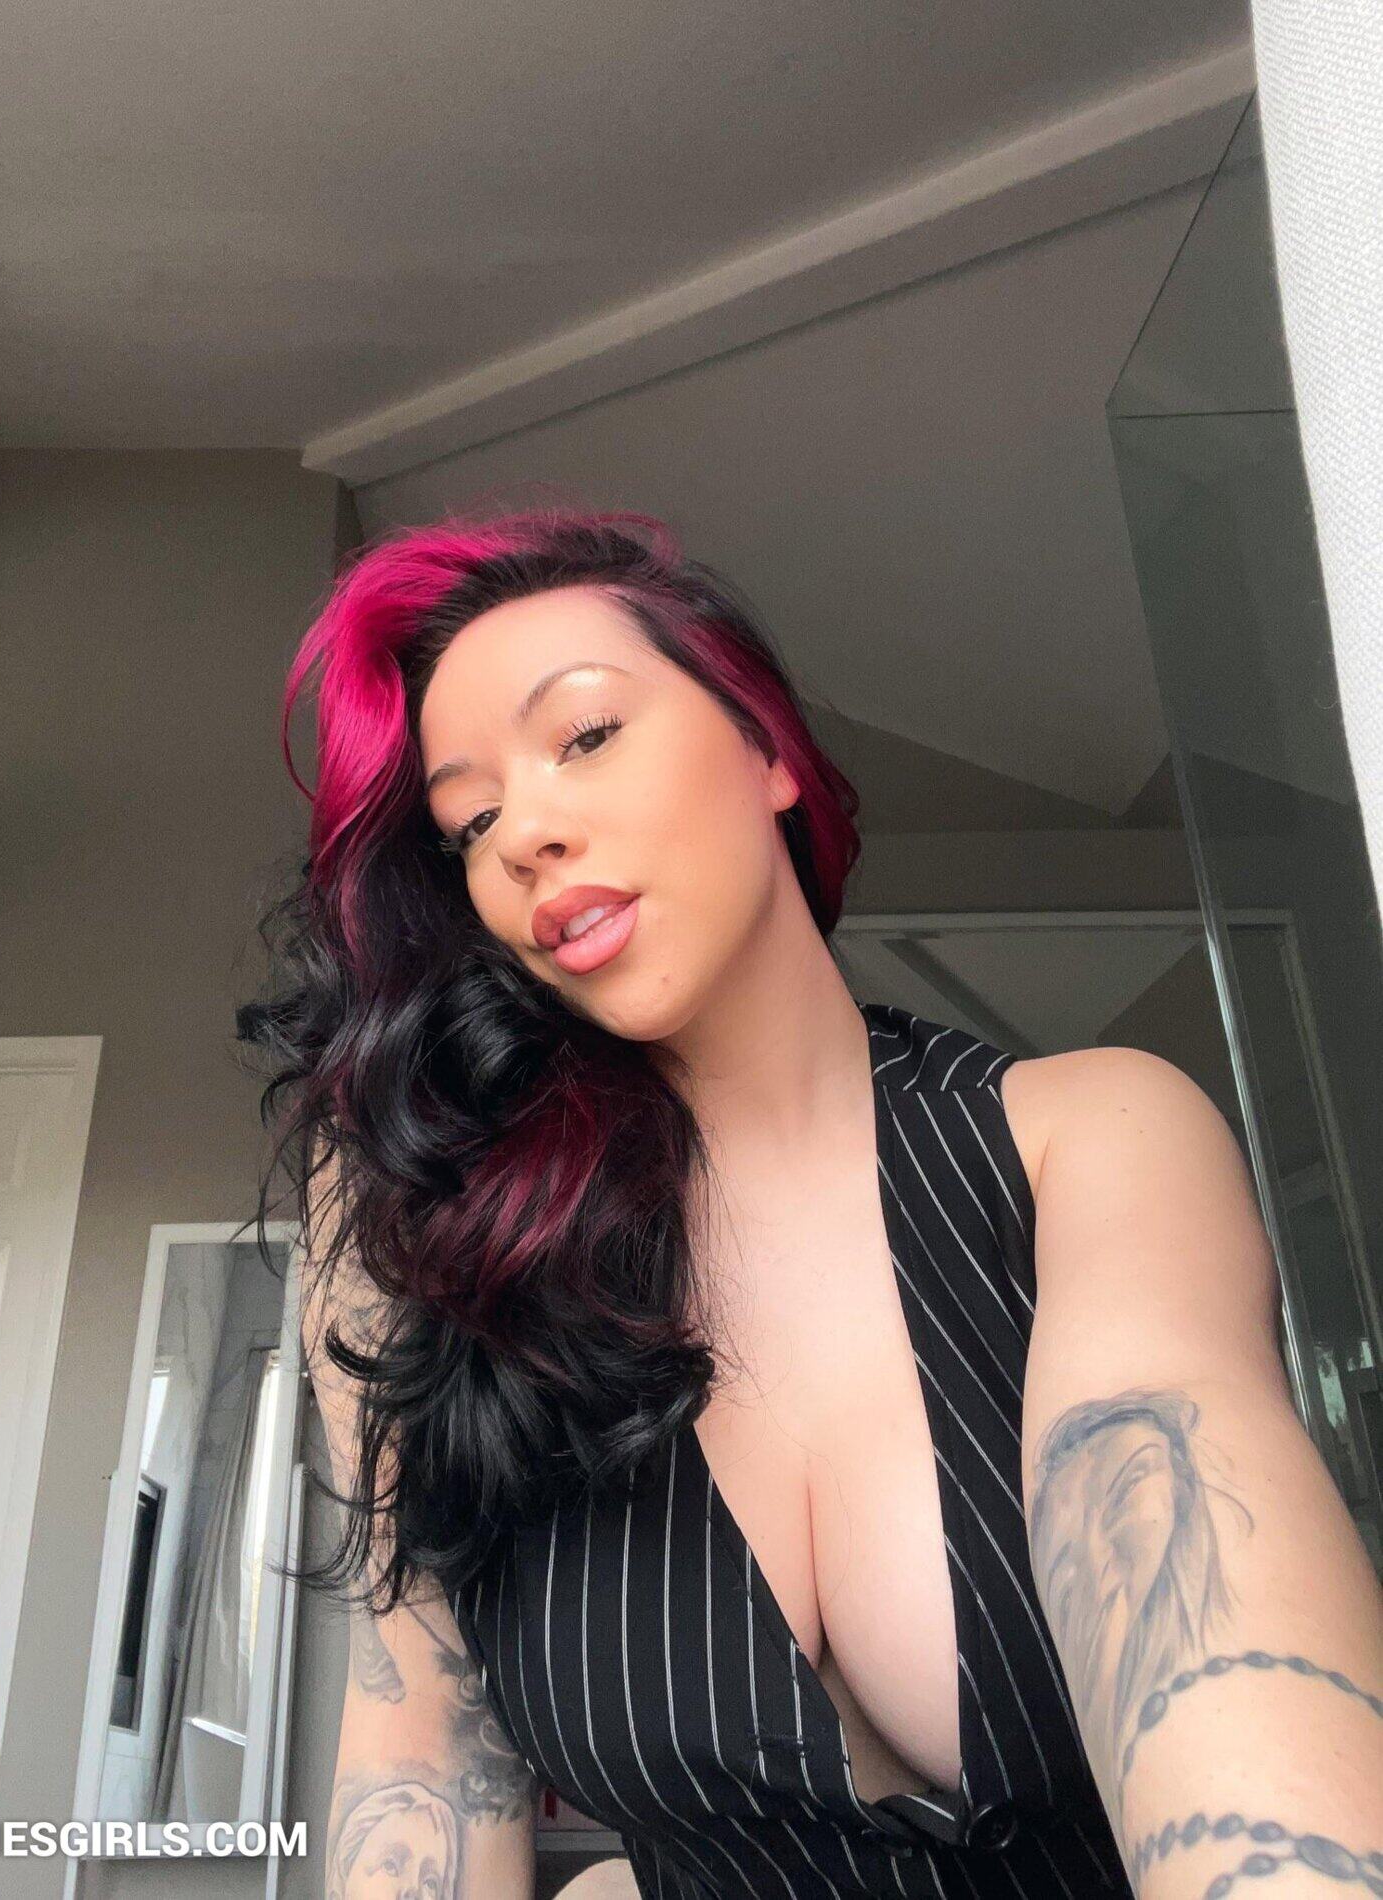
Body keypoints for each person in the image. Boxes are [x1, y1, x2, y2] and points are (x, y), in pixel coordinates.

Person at [237, 506, 1383, 1898]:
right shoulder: (442, 1252)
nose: (523, 833)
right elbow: (418, 1750)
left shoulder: (1088, 1141)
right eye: (468, 823)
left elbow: (1219, 1648)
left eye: (584, 735)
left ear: (767, 750)